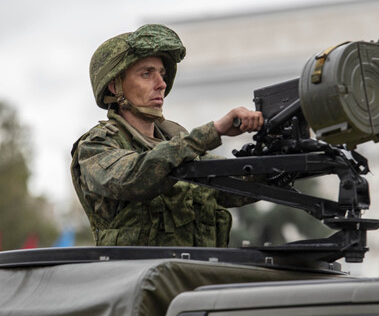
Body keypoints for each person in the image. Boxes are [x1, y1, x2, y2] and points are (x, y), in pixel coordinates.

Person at [70, 23, 263, 247]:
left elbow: (240, 187)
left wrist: (279, 154)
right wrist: (214, 131)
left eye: (162, 74)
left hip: (199, 277)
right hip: (139, 279)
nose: (161, 84)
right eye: (146, 74)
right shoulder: (96, 147)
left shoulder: (179, 145)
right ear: (115, 86)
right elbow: (135, 178)